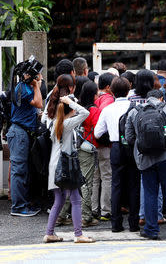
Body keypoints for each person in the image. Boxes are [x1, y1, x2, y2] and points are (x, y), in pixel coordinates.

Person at [126, 78, 166, 240]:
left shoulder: (134, 111)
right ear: (161, 98)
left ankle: (151, 230)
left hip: (145, 158)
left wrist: (143, 142)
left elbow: (129, 137)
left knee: (150, 193)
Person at [43, 74, 93, 243]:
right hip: (65, 166)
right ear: (70, 110)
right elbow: (85, 112)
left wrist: (67, 103)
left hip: (55, 165)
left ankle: (49, 233)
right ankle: (78, 235)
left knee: (59, 199)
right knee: (76, 199)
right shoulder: (67, 124)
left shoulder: (57, 122)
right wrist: (71, 102)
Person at [94, 77, 140, 233]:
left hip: (115, 147)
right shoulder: (135, 108)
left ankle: (116, 224)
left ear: (111, 91)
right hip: (132, 147)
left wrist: (112, 137)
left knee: (116, 185)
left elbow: (98, 133)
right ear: (129, 90)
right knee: (134, 185)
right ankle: (134, 223)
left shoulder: (108, 109)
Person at [7, 69, 43, 217]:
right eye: (39, 74)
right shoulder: (23, 87)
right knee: (19, 171)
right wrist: (36, 85)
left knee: (23, 170)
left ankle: (23, 204)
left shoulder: (23, 87)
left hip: (22, 132)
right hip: (19, 132)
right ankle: (18, 207)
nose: (41, 77)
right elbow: (39, 103)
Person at [91, 72, 115, 221]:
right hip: (105, 144)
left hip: (92, 144)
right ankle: (106, 210)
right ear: (108, 87)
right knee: (107, 176)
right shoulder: (109, 100)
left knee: (94, 177)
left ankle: (93, 208)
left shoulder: (95, 98)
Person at [77, 81, 101, 227]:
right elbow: (98, 131)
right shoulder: (94, 110)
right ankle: (86, 216)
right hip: (89, 147)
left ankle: (63, 214)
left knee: (74, 182)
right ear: (93, 94)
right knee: (87, 182)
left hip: (77, 145)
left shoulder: (79, 108)